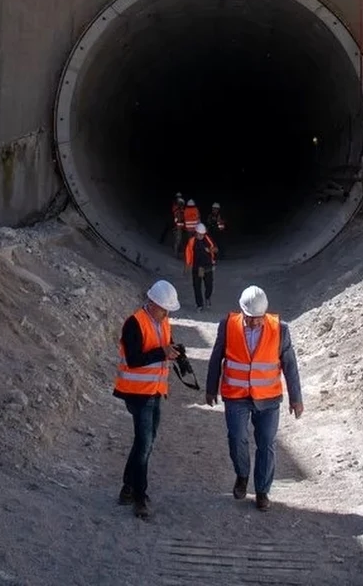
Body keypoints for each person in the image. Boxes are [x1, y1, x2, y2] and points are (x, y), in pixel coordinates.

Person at [205, 285, 303, 512]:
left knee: (266, 445)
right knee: (237, 437)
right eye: (250, 319)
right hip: (236, 396)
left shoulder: (280, 329)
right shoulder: (228, 326)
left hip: (268, 399)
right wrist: (211, 388)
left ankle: (262, 491)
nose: (255, 323)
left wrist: (296, 398)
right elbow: (216, 357)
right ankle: (242, 474)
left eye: (259, 319)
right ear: (242, 312)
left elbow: (290, 366)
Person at [114, 279, 182, 519]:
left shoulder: (162, 322)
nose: (167, 314)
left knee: (147, 442)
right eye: (165, 309)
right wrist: (161, 352)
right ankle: (139, 497)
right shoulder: (134, 323)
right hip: (137, 393)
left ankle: (128, 487)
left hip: (154, 391)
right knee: (144, 443)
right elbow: (133, 360)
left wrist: (172, 350)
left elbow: (163, 345)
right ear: (153, 304)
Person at [184, 222, 218, 310]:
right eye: (199, 234)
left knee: (209, 285)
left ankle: (207, 297)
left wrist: (210, 249)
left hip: (207, 266)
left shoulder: (208, 239)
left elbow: (216, 249)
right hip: (196, 267)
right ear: (196, 233)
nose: (201, 236)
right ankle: (199, 304)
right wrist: (187, 266)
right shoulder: (192, 241)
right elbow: (188, 253)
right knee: (196, 286)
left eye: (202, 234)